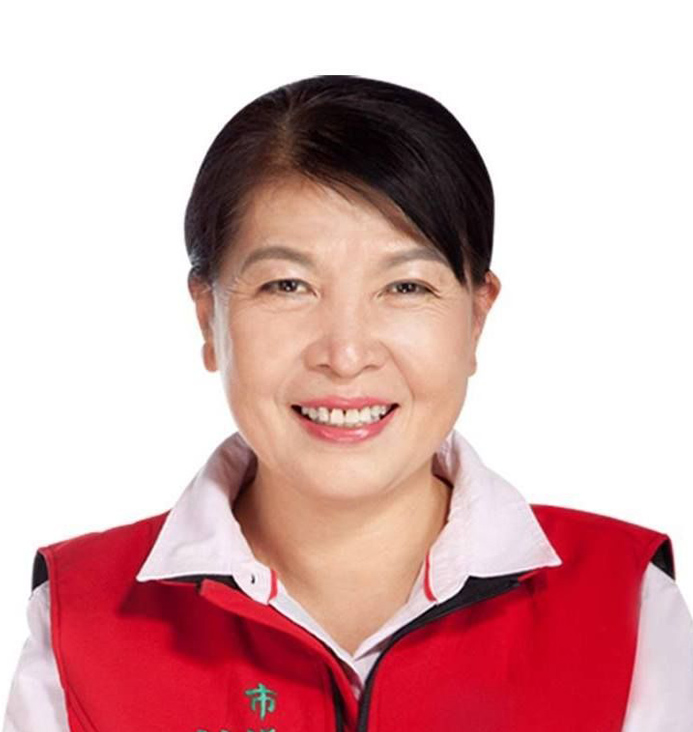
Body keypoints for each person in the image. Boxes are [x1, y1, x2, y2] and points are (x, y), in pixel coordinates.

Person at [3, 75, 693, 732]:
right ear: (208, 316)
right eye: (287, 286)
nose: (345, 352)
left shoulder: (623, 602)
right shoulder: (80, 615)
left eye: (406, 287)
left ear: (476, 318)